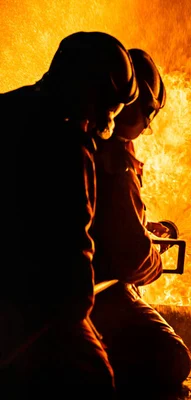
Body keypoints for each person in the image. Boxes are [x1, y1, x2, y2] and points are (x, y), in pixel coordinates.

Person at [0, 32, 138, 399]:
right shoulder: (67, 144)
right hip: (30, 310)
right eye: (109, 108)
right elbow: (71, 268)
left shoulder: (8, 108)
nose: (105, 121)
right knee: (93, 378)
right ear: (93, 93)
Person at [89, 48, 191, 397]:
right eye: (148, 113)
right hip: (86, 293)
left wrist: (144, 229)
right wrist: (155, 256)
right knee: (171, 358)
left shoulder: (73, 138)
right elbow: (131, 258)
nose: (148, 124)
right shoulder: (113, 157)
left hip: (66, 283)